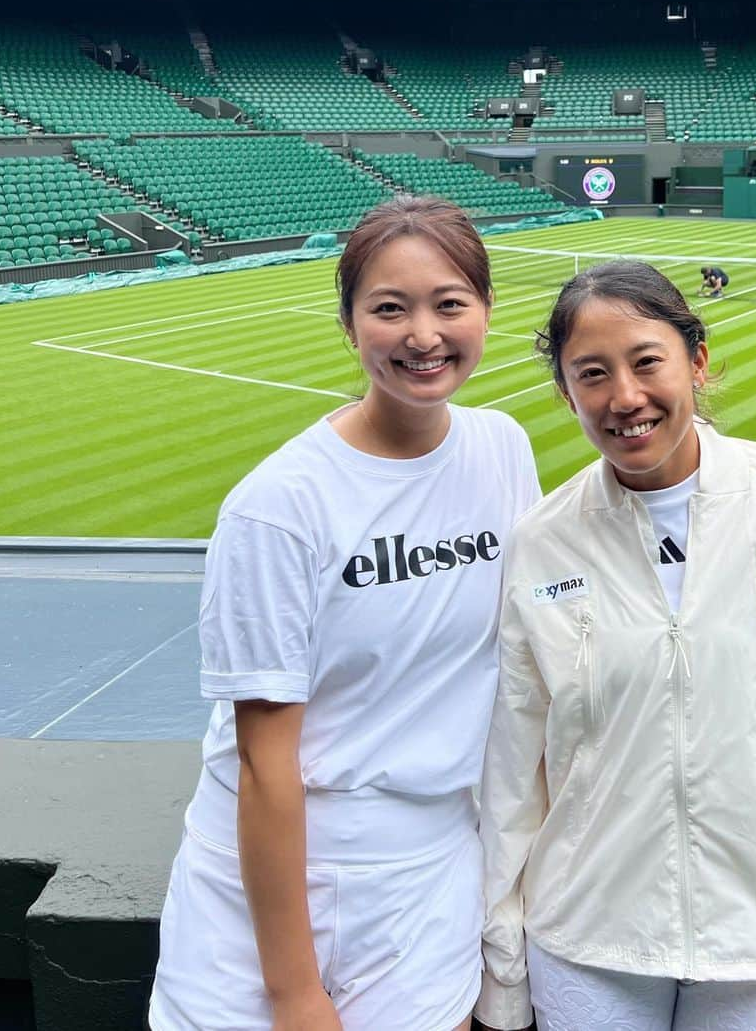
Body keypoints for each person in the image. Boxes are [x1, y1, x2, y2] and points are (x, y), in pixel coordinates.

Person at [477, 261, 756, 1031]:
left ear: (696, 360)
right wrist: (503, 952)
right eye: (591, 374)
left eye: (647, 361)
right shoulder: (542, 538)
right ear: (566, 391)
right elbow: (517, 756)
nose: (624, 397)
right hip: (587, 932)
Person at [150, 196, 540, 1031]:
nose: (423, 335)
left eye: (449, 303)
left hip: (430, 866)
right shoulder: (279, 507)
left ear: (485, 309)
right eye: (389, 308)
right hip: (276, 886)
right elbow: (262, 762)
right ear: (349, 322)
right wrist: (295, 993)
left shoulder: (502, 448)